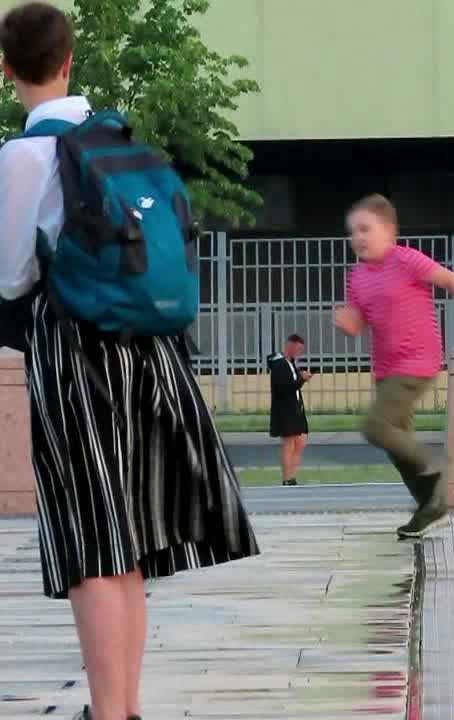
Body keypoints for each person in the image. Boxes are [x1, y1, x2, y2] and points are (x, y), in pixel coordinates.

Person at [0, 4, 261, 719]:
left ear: (7, 69)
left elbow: (13, 276)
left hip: (74, 353)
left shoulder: (23, 156)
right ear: (69, 60)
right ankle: (123, 707)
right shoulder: (116, 137)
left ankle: (109, 713)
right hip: (149, 352)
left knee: (92, 538)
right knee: (130, 543)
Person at [334, 194, 454, 539]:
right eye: (353, 232)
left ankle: (437, 466)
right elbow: (358, 320)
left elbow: (453, 282)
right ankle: (431, 507)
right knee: (396, 446)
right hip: (385, 369)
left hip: (416, 360)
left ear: (390, 231)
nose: (358, 238)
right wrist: (346, 322)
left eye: (365, 229)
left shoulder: (406, 260)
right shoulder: (358, 276)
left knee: (376, 427)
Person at [267, 334, 311, 486]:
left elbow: (293, 384)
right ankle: (287, 479)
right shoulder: (279, 364)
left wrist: (301, 378)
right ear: (290, 345)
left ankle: (291, 475)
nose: (299, 353)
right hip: (285, 409)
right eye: (298, 349)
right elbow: (285, 388)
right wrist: (302, 379)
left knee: (301, 441)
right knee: (289, 443)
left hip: (296, 407)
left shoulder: (290, 362)